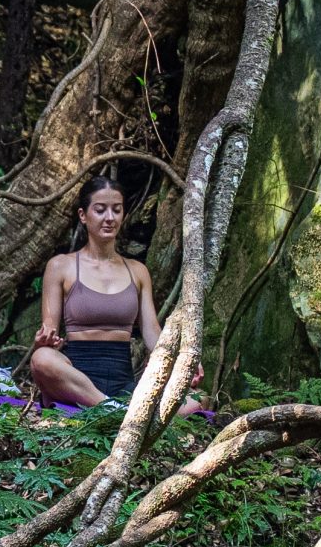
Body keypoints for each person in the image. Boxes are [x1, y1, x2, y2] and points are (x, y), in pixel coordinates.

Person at [26, 170, 196, 411]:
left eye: (116, 210)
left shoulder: (137, 271)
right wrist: (43, 342)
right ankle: (112, 409)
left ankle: (115, 408)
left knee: (194, 399)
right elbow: (49, 332)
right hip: (75, 378)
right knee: (41, 359)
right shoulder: (61, 266)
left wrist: (183, 365)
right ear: (83, 215)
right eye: (100, 210)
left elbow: (151, 332)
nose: (109, 218)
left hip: (123, 381)